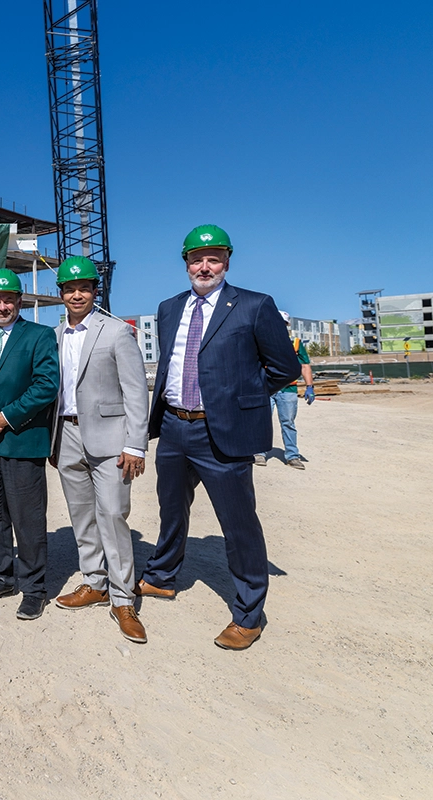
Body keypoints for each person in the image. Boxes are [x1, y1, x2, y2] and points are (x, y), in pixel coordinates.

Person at [138, 225, 301, 651]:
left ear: (227, 261)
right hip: (174, 426)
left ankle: (249, 614)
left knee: (238, 523)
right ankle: (161, 577)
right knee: (171, 509)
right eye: (196, 258)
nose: (204, 266)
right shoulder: (169, 307)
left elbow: (283, 368)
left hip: (221, 431)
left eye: (213, 258)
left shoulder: (253, 305)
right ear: (186, 263)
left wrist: (240, 398)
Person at [49, 257, 150, 644]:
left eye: (85, 288)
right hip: (67, 434)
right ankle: (94, 582)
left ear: (95, 291)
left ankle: (123, 599)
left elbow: (136, 390)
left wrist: (135, 444)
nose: (77, 294)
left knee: (112, 514)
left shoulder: (116, 332)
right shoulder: (55, 335)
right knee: (81, 516)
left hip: (111, 439)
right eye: (70, 288)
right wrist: (52, 439)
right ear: (61, 294)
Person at [0, 268, 60, 621]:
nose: (1, 306)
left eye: (8, 299)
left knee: (28, 518)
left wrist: (6, 416)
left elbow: (46, 385)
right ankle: (0, 577)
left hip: (21, 441)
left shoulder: (40, 336)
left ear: (20, 301)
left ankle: (34, 588)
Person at [254, 310, 315, 469]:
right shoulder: (262, 341)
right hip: (266, 388)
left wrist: (310, 386)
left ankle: (292, 456)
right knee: (263, 421)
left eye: (283, 324)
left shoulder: (295, 343)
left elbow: (304, 365)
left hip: (288, 390)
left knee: (288, 422)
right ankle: (260, 453)